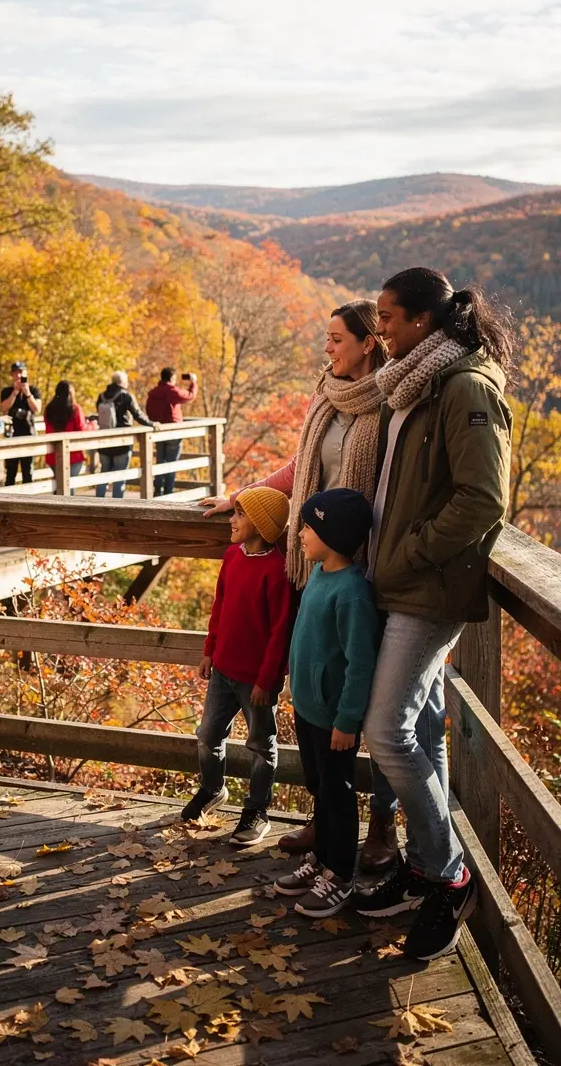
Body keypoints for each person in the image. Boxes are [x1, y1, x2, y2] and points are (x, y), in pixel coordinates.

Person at [201, 301, 400, 870]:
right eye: (326, 339)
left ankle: (381, 824)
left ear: (367, 342)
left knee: (370, 699)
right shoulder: (325, 399)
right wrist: (242, 495)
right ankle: (325, 816)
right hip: (316, 563)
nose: (328, 349)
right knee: (316, 689)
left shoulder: (390, 403)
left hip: (368, 568)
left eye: (337, 339)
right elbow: (296, 468)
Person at [353, 267, 513, 963]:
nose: (378, 325)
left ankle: (449, 876)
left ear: (422, 320)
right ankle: (423, 867)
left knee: (385, 732)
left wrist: (408, 554)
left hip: (427, 587)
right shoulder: (412, 384)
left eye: (387, 316)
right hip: (396, 581)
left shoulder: (466, 388)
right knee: (419, 726)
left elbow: (483, 499)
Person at [273, 489, 379, 917]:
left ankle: (340, 874)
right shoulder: (318, 574)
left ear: (333, 537)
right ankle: (320, 856)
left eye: (308, 528)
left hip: (335, 719)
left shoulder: (352, 593)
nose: (299, 534)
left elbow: (360, 663)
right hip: (308, 707)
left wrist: (348, 720)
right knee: (318, 785)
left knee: (338, 792)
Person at [182, 486, 292, 847]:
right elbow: (220, 607)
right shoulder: (232, 557)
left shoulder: (278, 571)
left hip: (256, 681)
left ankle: (257, 809)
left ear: (261, 524)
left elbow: (280, 632)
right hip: (222, 671)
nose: (232, 519)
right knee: (207, 734)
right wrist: (209, 650)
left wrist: (267, 680)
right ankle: (213, 789)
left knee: (261, 744)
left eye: (240, 514)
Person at [95, 370, 159, 499]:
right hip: (122, 442)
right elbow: (138, 415)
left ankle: (97, 502)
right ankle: (117, 505)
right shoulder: (126, 395)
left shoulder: (101, 396)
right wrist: (152, 424)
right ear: (122, 382)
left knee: (104, 473)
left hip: (104, 441)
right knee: (120, 475)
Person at [146, 367, 198, 496]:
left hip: (158, 431)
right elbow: (189, 396)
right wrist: (193, 383)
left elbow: (149, 410)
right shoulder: (171, 391)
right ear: (171, 378)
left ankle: (158, 491)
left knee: (159, 461)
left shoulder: (153, 393)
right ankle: (168, 492)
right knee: (171, 463)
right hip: (173, 432)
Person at [0, 361, 41, 486]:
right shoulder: (7, 391)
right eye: (15, 373)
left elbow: (37, 409)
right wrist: (15, 392)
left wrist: (27, 393)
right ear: (12, 375)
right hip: (11, 437)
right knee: (10, 473)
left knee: (28, 472)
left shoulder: (33, 390)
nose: (18, 376)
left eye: (20, 373)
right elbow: (4, 408)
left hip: (28, 436)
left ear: (26, 373)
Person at [44, 380, 88, 493]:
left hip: (53, 455)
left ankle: (57, 507)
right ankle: (67, 508)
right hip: (73, 455)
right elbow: (82, 430)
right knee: (69, 486)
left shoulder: (48, 410)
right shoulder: (74, 409)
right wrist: (93, 425)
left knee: (60, 484)